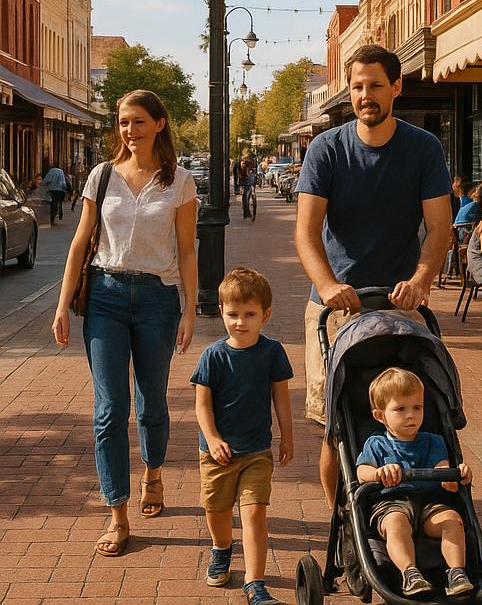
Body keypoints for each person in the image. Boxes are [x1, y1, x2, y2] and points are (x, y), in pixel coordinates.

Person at [294, 44, 453, 508]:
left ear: (396, 88)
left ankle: (419, 504)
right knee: (335, 425)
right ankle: (343, 525)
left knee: (419, 412)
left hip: (400, 305)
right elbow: (306, 233)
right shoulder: (327, 148)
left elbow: (440, 227)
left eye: (376, 86)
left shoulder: (423, 148)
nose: (366, 95)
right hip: (336, 306)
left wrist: (423, 277)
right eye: (358, 86)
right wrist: (326, 286)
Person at [51, 89, 198, 558]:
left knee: (151, 402)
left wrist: (191, 309)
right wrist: (60, 305)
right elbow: (79, 243)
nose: (129, 131)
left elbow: (189, 250)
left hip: (158, 300)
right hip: (106, 298)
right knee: (109, 410)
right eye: (122, 122)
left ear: (159, 123)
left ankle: (153, 472)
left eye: (137, 122)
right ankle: (117, 514)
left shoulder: (181, 183)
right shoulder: (102, 175)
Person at [192, 268, 293, 605]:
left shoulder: (273, 352)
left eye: (249, 314)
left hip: (256, 451)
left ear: (265, 315)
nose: (240, 322)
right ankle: (222, 548)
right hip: (217, 453)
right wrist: (214, 437)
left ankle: (255, 584)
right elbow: (202, 406)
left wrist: (287, 436)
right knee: (217, 511)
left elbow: (281, 396)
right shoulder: (214, 356)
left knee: (254, 513)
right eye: (233, 314)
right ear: (222, 311)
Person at [356, 367, 474, 598]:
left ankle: (457, 572)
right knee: (395, 523)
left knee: (453, 520)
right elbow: (361, 471)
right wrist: (378, 473)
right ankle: (410, 573)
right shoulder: (376, 444)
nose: (410, 415)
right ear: (380, 416)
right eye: (400, 409)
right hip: (391, 503)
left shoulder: (433, 441)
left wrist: (453, 477)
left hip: (429, 503)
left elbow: (441, 468)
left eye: (417, 408)